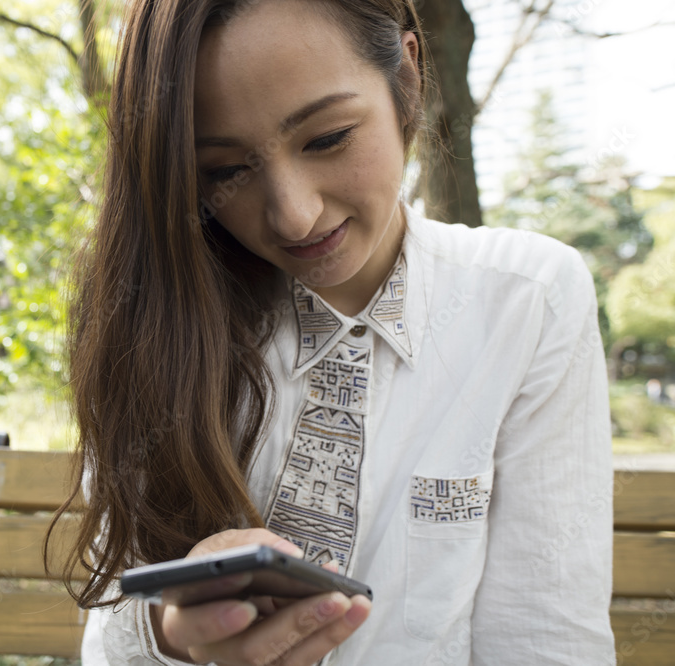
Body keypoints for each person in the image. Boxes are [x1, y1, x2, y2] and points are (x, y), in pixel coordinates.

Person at [48, 0, 616, 663]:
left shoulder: (527, 299)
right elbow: (114, 635)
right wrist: (174, 638)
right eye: (225, 172)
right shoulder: (154, 323)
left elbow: (545, 637)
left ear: (406, 76)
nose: (295, 216)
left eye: (327, 138)